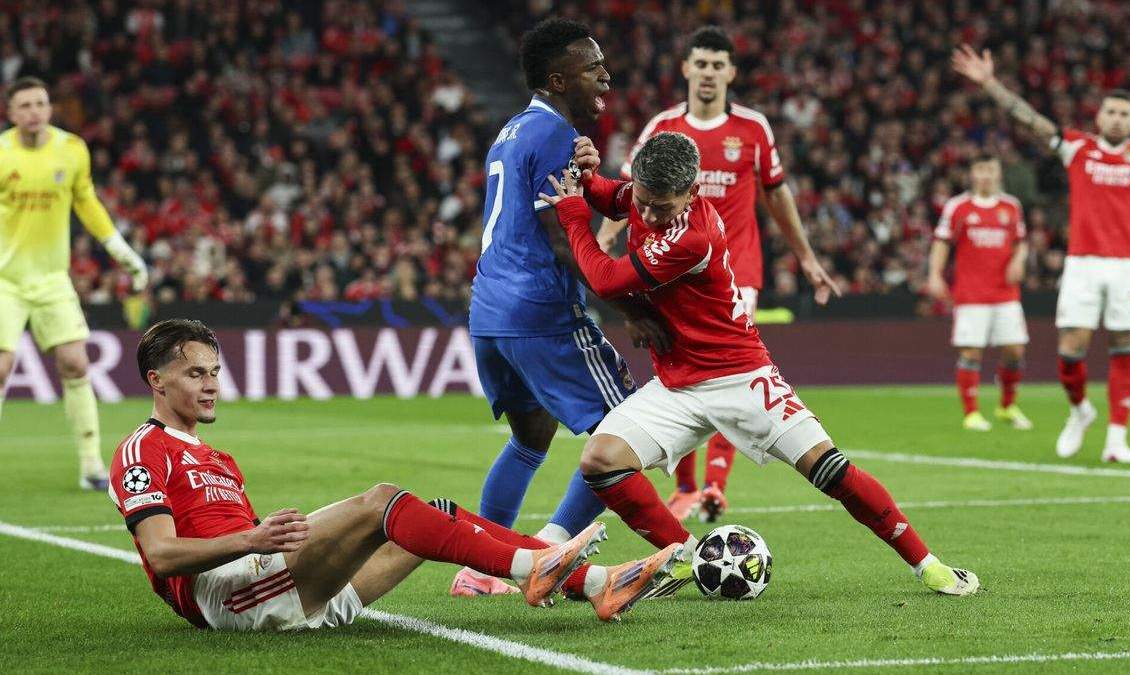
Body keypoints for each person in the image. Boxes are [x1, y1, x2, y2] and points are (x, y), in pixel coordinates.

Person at [539, 132, 978, 598]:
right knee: (602, 460)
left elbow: (606, 280)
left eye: (660, 207)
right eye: (643, 201)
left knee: (829, 470)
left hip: (741, 375)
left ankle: (928, 565)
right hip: (677, 384)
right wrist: (586, 177)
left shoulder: (692, 236)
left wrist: (570, 213)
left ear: (692, 193)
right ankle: (686, 558)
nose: (647, 215)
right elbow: (614, 197)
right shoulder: (650, 196)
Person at [108, 318, 682, 629]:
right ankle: (533, 567)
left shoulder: (214, 456)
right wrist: (254, 539)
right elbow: (160, 555)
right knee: (383, 500)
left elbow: (238, 536)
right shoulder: (142, 450)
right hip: (227, 599)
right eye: (194, 374)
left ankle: (599, 585)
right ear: (156, 382)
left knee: (436, 517)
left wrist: (260, 539)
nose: (210, 385)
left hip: (268, 586)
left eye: (214, 371)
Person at [461, 18, 670, 596]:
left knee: (531, 436)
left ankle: (480, 568)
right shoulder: (551, 133)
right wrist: (628, 306)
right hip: (540, 309)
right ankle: (549, 551)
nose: (606, 74)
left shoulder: (512, 130)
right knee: (627, 431)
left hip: (491, 310)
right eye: (592, 67)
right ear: (558, 79)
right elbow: (562, 234)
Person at [596, 26, 839, 524]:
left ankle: (713, 486)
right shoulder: (663, 127)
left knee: (726, 373)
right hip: (666, 271)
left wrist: (807, 256)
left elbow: (778, 194)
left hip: (733, 271)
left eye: (717, 65)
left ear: (730, 72)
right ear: (686, 69)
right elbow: (629, 188)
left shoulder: (753, 129)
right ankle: (686, 485)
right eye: (700, 64)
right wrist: (603, 237)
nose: (708, 74)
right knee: (679, 368)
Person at [952, 45, 1130, 462]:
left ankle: (1117, 439)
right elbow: (1027, 119)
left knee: (1125, 345)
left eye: (1125, 114)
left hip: (1126, 266)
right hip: (1083, 263)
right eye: (1111, 112)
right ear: (1099, 117)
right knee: (1071, 347)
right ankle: (1080, 410)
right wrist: (990, 84)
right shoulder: (1077, 148)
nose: (1118, 119)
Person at [0, 76, 148, 490]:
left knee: (75, 362)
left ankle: (90, 466)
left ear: (50, 108)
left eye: (41, 103)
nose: (34, 111)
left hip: (51, 279)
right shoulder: (1, 153)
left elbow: (86, 201)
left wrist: (122, 250)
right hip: (4, 279)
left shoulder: (71, 149)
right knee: (1, 367)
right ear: (11, 114)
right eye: (25, 105)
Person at [928, 154, 1031, 432]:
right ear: (972, 174)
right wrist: (935, 274)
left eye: (991, 170)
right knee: (972, 352)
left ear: (999, 174)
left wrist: (1019, 260)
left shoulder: (1011, 207)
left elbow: (1021, 242)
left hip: (1006, 293)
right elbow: (942, 242)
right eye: (980, 169)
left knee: (1014, 350)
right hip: (971, 294)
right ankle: (971, 413)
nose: (986, 175)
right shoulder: (958, 207)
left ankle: (1007, 406)